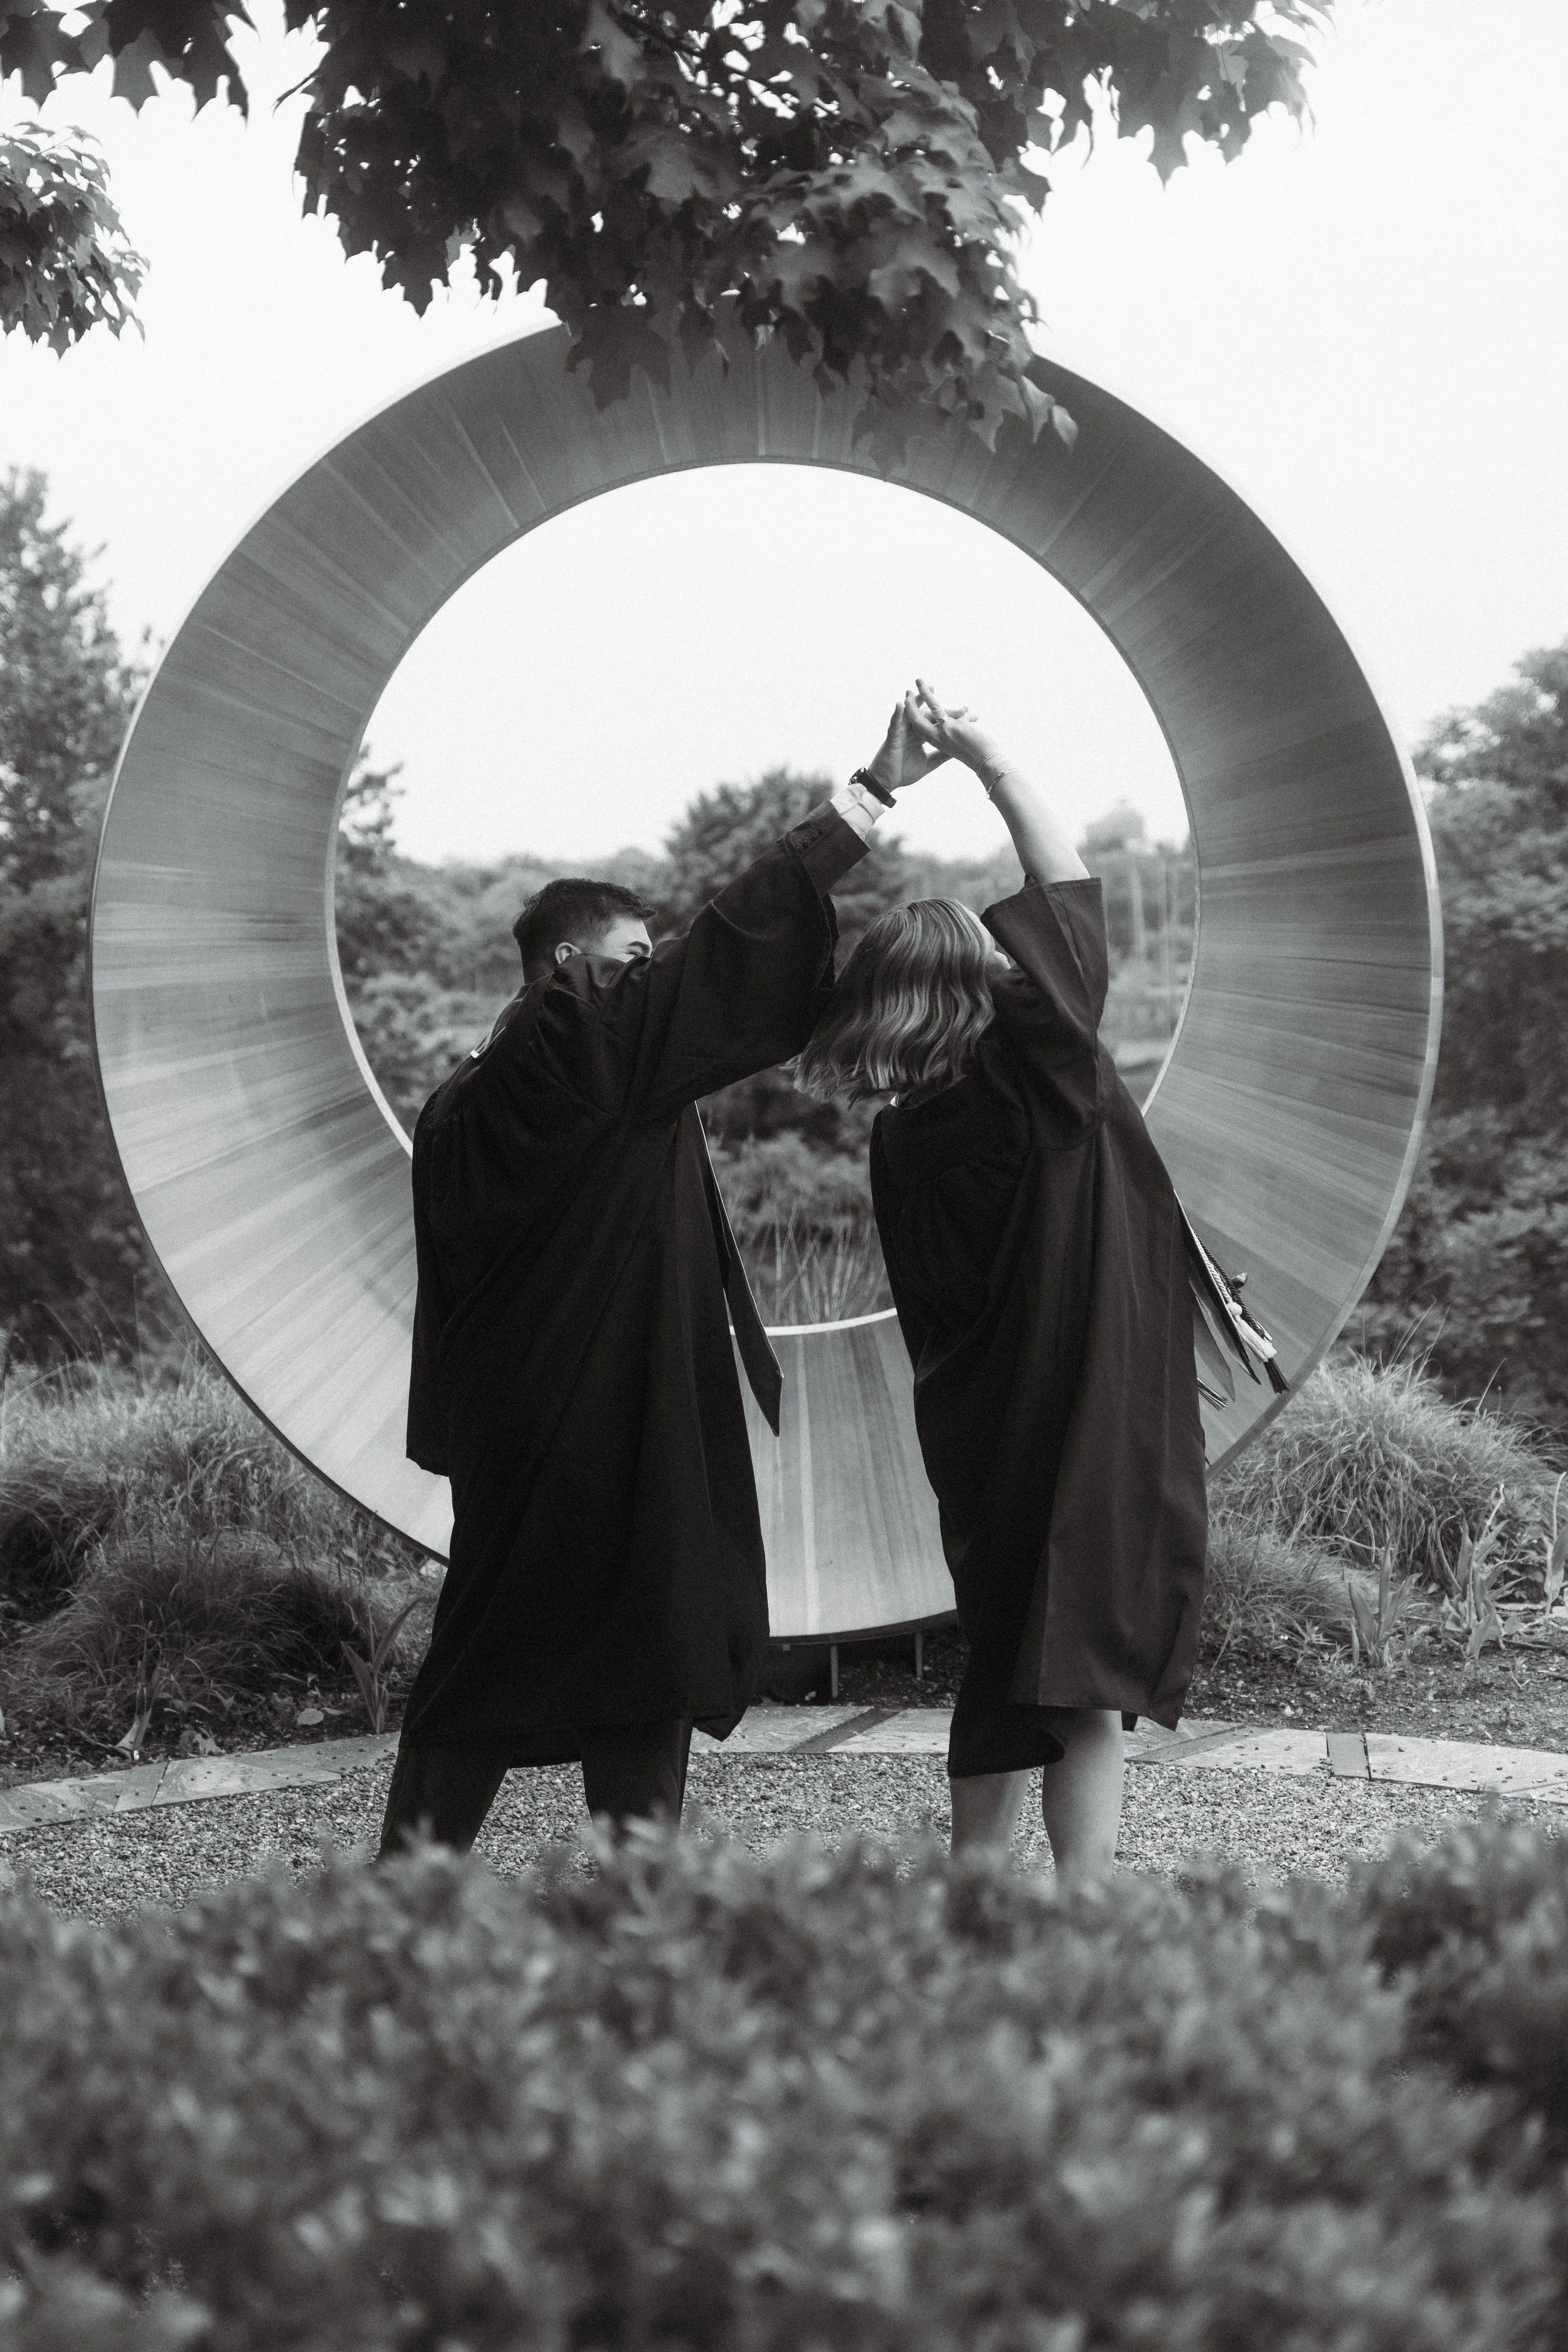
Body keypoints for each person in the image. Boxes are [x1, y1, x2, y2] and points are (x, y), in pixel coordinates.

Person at [378, 697, 950, 1858]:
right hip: (587, 1429)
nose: (655, 987)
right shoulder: (562, 1050)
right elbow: (730, 953)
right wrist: (867, 794)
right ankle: (423, 1905)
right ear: (567, 972)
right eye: (634, 967)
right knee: (539, 1657)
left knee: (610, 1653)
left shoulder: (465, 1098)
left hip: (551, 1429)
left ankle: (532, 1902)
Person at [793, 681, 1208, 1890]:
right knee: (1080, 1668)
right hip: (1087, 1411)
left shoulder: (903, 1133)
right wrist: (989, 757)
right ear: (992, 992)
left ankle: (978, 1887)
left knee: (1000, 1653)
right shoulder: (1049, 1086)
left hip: (981, 1426)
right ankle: (1078, 1910)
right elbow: (1068, 894)